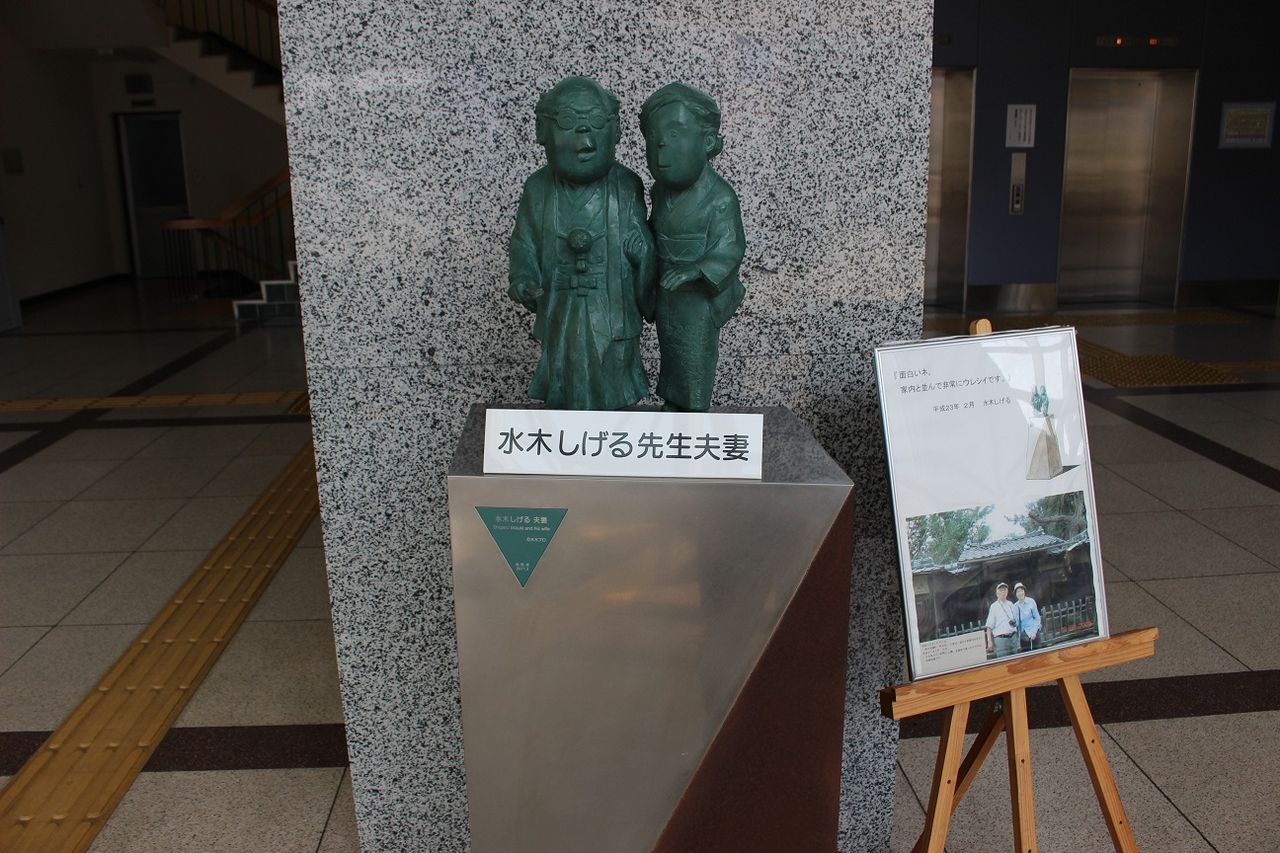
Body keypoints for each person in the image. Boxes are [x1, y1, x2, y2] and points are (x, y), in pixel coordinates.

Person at [508, 76, 656, 410]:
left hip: (612, 304)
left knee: (614, 374)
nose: (584, 137)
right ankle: (566, 433)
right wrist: (524, 277)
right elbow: (524, 243)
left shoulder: (626, 185)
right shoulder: (538, 188)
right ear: (542, 132)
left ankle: (615, 431)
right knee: (564, 372)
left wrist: (642, 256)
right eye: (568, 123)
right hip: (561, 303)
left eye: (596, 122)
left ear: (616, 131)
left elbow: (643, 243)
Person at [639, 83, 746, 413]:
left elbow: (730, 248)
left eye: (675, 133)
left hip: (698, 296)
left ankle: (694, 410)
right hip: (667, 290)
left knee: (694, 355)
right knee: (671, 350)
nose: (661, 143)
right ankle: (674, 401)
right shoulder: (660, 192)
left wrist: (695, 270)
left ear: (708, 142)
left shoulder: (720, 197)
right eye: (654, 136)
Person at [984, 582, 1019, 658]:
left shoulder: (1011, 604)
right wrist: (989, 641)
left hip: (1013, 637)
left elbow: (1016, 620)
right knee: (1003, 662)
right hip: (1001, 640)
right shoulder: (994, 606)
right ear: (997, 593)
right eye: (1001, 590)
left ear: (1007, 592)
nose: (1003, 592)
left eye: (1005, 590)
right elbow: (989, 627)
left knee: (1016, 661)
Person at [1013, 581, 1042, 651]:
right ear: (1016, 594)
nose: (1020, 593)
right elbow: (1016, 622)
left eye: (1021, 590)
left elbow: (1037, 618)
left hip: (1034, 633)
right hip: (1023, 636)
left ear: (1024, 591)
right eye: (1018, 592)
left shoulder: (1031, 601)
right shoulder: (1015, 606)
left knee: (1038, 654)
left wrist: (1034, 631)